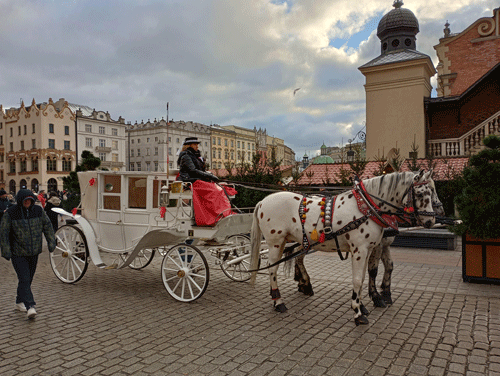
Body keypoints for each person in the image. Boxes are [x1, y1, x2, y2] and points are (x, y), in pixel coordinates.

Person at [0, 189, 56, 319]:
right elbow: (4, 233)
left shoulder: (38, 210)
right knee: (24, 278)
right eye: (25, 200)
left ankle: (19, 302)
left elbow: (47, 226)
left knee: (27, 279)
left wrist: (51, 242)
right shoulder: (10, 213)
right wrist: (6, 251)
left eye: (30, 200)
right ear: (20, 201)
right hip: (18, 253)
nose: (27, 202)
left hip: (34, 251)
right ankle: (30, 306)